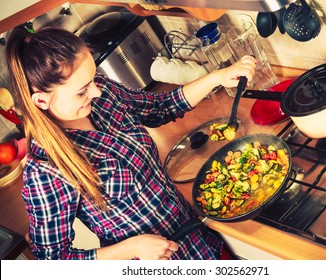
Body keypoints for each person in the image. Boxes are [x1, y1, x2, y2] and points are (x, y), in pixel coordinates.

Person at [5, 26, 256, 260]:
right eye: (81, 91)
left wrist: (218, 77)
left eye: (93, 79)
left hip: (200, 238)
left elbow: (159, 107)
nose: (96, 92)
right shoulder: (46, 170)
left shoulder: (102, 95)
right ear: (40, 101)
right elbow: (54, 261)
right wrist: (131, 248)